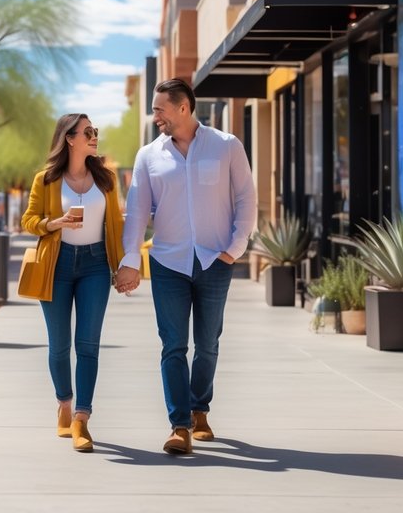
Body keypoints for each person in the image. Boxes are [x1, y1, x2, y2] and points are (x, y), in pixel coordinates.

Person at [116, 78, 256, 455]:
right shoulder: (149, 156)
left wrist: (235, 247)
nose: (155, 115)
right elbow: (136, 213)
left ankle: (200, 408)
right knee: (173, 345)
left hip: (215, 259)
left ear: (183, 108)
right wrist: (130, 260)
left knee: (208, 343)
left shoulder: (226, 146)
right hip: (167, 261)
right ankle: (180, 425)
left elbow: (246, 197)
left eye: (160, 108)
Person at [21, 114, 124, 452]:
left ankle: (82, 418)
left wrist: (124, 265)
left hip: (95, 265)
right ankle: (64, 403)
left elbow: (117, 226)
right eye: (88, 132)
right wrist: (55, 222)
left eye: (95, 132)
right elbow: (28, 220)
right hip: (58, 263)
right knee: (59, 345)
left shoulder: (106, 178)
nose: (94, 137)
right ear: (69, 138)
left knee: (89, 344)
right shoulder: (46, 179)